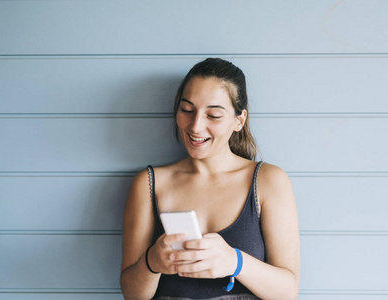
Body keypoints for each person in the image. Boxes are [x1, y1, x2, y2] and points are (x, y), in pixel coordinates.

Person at [120, 58, 300, 299]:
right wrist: (152, 262)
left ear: (239, 120)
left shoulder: (268, 181)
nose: (195, 126)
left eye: (213, 115)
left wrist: (235, 262)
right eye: (187, 110)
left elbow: (288, 292)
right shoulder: (148, 184)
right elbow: (132, 294)